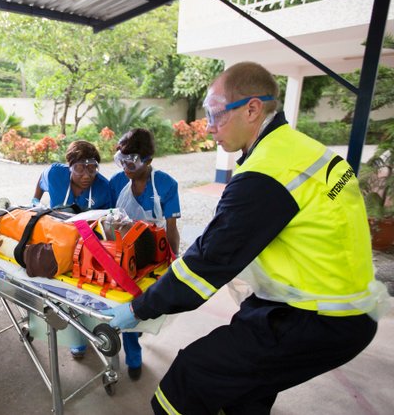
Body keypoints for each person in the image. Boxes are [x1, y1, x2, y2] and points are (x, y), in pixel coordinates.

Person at [103, 62, 388, 414]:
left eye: (215, 114)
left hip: (320, 317)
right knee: (245, 390)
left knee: (190, 378)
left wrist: (137, 308)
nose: (208, 128)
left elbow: (207, 264)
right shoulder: (299, 149)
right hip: (320, 301)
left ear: (252, 109)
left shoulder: (267, 173)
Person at [109, 127, 181, 381]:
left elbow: (171, 229)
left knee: (139, 310)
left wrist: (173, 263)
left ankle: (134, 354)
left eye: (131, 162)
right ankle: (119, 349)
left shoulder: (165, 185)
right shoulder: (118, 182)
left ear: (148, 160)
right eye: (121, 160)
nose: (125, 167)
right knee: (123, 303)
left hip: (153, 255)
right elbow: (102, 218)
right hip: (121, 253)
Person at [32, 140, 112, 358]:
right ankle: (70, 335)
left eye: (92, 168)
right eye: (79, 168)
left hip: (85, 245)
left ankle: (81, 337)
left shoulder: (104, 188)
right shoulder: (56, 174)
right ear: (69, 167)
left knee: (81, 293)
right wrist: (35, 200)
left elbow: (107, 220)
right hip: (55, 236)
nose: (86, 175)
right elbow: (41, 179)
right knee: (56, 291)